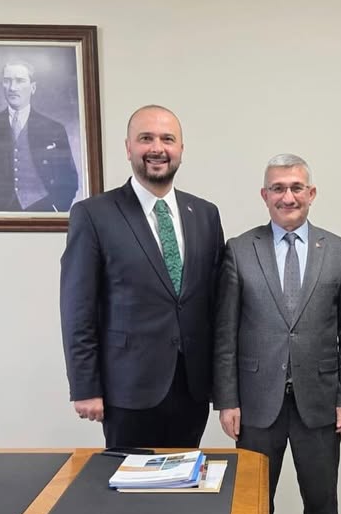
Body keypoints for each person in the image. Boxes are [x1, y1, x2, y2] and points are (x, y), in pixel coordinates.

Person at [214, 155, 341, 514]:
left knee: (322, 501)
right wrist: (227, 399)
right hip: (257, 402)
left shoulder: (338, 250)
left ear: (311, 194)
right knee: (256, 504)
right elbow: (225, 332)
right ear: (265, 196)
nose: (288, 196)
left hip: (320, 400)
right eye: (278, 188)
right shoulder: (240, 249)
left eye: (297, 187)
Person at [60, 104, 224, 448]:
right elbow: (78, 308)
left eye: (168, 139)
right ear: (128, 147)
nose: (157, 148)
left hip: (191, 388)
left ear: (181, 149)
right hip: (128, 390)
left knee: (184, 478)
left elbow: (215, 303)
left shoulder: (205, 214)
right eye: (146, 138)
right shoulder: (94, 214)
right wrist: (86, 386)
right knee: (129, 483)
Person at [0, 61, 79, 212]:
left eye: (20, 81)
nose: (12, 88)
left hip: (42, 211)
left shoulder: (54, 128)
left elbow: (69, 178)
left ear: (33, 87)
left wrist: (57, 208)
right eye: (7, 80)